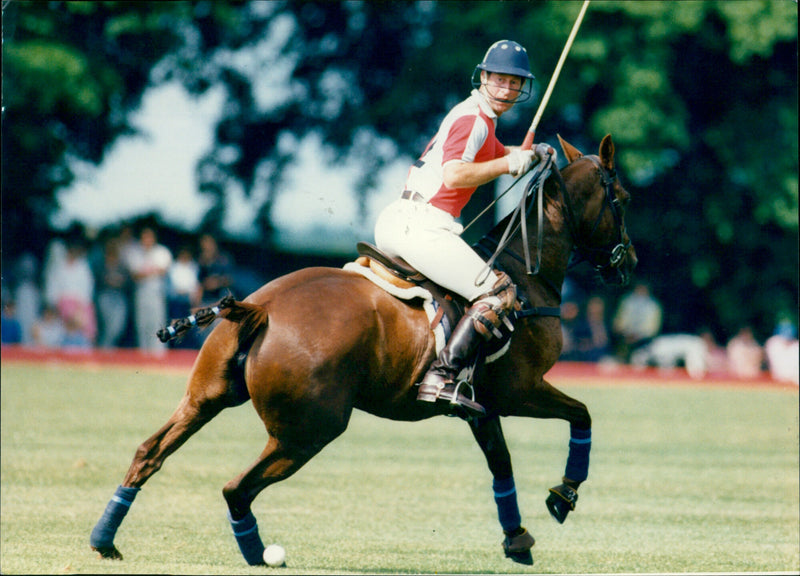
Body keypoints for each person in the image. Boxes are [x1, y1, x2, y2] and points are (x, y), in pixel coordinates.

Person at [374, 39, 546, 417]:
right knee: (498, 293)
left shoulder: (481, 120)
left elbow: (497, 152)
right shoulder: (473, 120)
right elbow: (455, 174)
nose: (507, 88)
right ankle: (442, 377)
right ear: (483, 77)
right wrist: (509, 165)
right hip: (422, 225)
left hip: (400, 218)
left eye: (515, 82)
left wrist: (530, 153)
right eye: (499, 79)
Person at [126, 226, 172, 354]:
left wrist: (146, 272)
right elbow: (135, 274)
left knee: (157, 324)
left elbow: (163, 270)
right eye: (144, 237)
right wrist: (151, 271)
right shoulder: (135, 253)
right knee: (142, 325)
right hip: (141, 293)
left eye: (149, 237)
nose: (147, 240)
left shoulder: (162, 252)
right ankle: (143, 355)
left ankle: (158, 355)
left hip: (156, 293)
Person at [612, 281, 662, 362]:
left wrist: (638, 336)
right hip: (625, 337)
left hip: (644, 340)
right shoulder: (626, 301)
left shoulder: (654, 306)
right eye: (639, 288)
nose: (641, 291)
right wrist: (625, 333)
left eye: (643, 289)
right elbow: (618, 323)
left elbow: (653, 330)